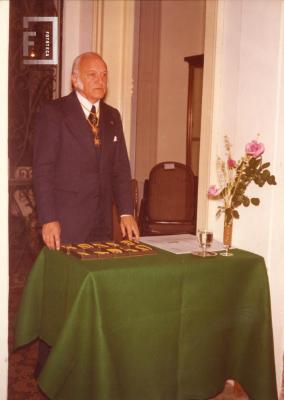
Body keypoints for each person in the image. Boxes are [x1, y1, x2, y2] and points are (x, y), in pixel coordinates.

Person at [33, 52, 139, 250]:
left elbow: (120, 168)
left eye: (104, 75)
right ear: (75, 80)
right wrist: (48, 218)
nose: (100, 80)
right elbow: (43, 170)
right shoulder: (54, 112)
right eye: (92, 74)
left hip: (103, 223)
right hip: (66, 222)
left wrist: (126, 212)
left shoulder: (112, 116)